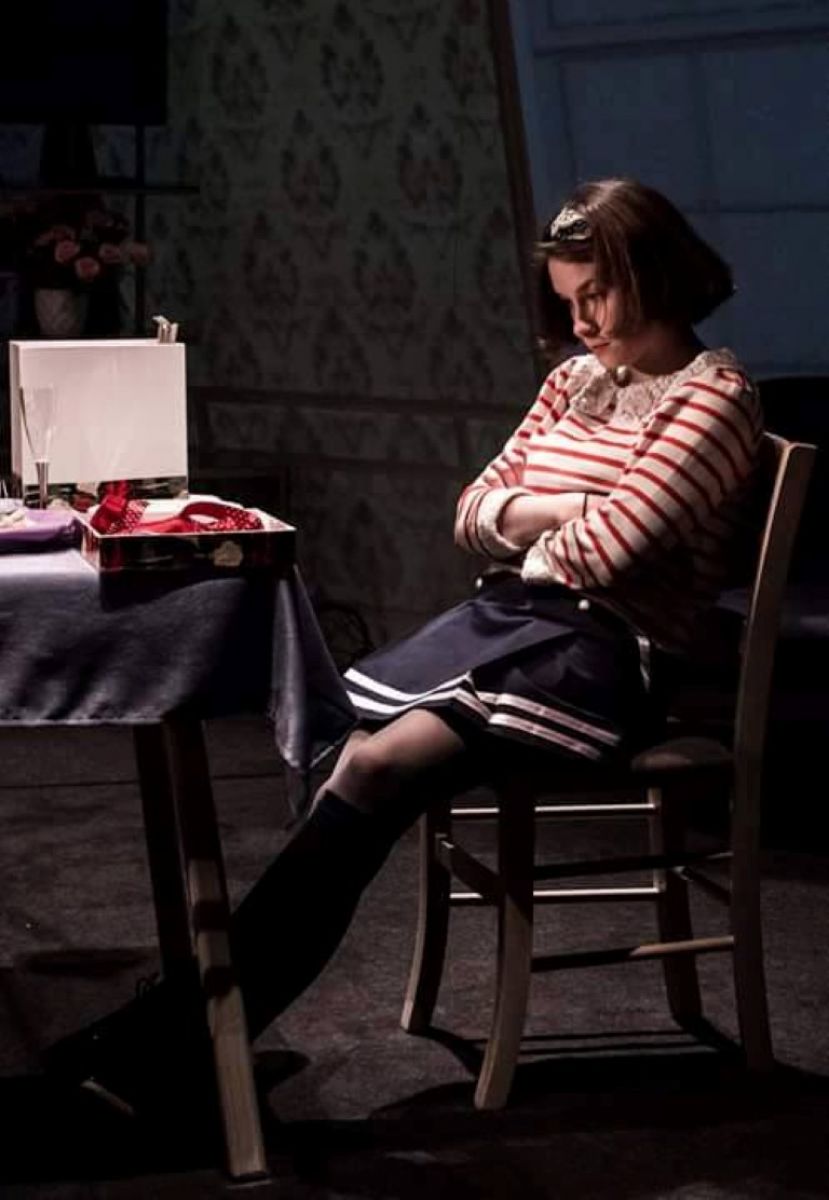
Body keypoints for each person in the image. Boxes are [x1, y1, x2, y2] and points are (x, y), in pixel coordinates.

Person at [47, 177, 762, 1118]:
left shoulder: (712, 399)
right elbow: (470, 514)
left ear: (654, 276)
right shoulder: (572, 383)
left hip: (605, 655)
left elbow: (609, 555)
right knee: (346, 746)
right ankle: (195, 1030)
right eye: (566, 301)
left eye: (597, 295)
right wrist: (570, 507)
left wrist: (534, 529)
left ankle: (190, 1039)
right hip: (515, 622)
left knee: (376, 765)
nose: (580, 322)